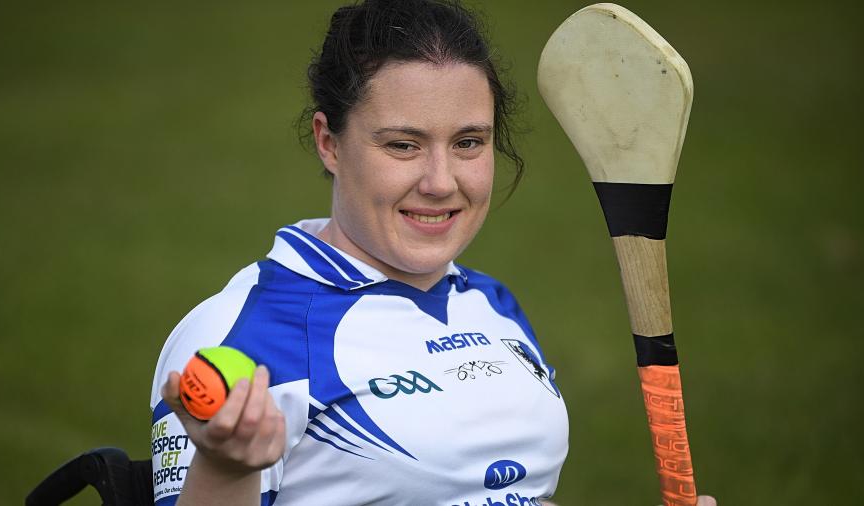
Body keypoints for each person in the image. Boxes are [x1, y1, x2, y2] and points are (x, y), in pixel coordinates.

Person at [150, 1, 716, 505]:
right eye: (403, 145)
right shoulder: (239, 335)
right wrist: (225, 470)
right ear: (330, 143)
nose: (441, 182)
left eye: (468, 142)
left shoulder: (491, 305)